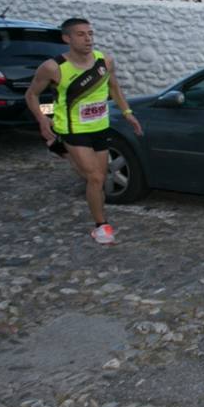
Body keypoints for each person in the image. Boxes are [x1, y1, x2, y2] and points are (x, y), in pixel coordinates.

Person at [25, 17, 143, 244]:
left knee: (96, 177)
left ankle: (60, 148)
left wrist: (128, 113)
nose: (88, 38)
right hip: (73, 128)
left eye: (90, 33)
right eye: (80, 34)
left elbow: (114, 88)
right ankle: (101, 226)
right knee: (96, 178)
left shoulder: (104, 61)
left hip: (100, 126)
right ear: (66, 38)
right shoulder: (53, 67)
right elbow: (31, 95)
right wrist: (42, 119)